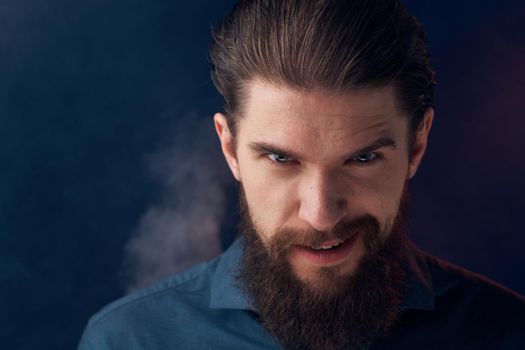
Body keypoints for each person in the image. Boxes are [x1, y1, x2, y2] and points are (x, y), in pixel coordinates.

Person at [79, 1, 525, 349]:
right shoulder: (129, 341)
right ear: (230, 149)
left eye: (363, 159)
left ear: (418, 144)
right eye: (281, 160)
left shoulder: (509, 335)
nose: (321, 215)